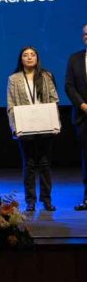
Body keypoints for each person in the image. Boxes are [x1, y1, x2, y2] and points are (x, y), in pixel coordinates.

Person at [7, 46, 58, 212]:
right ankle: (30, 200)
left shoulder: (46, 75)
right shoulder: (13, 79)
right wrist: (16, 127)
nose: (29, 57)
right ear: (21, 59)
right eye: (25, 55)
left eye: (32, 55)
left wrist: (56, 123)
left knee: (44, 164)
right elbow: (11, 105)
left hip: (45, 126)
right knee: (28, 164)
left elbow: (53, 99)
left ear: (37, 58)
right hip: (25, 127)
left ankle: (46, 200)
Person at [65, 24, 87, 211]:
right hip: (83, 116)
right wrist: (83, 105)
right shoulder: (75, 59)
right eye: (85, 34)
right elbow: (69, 86)